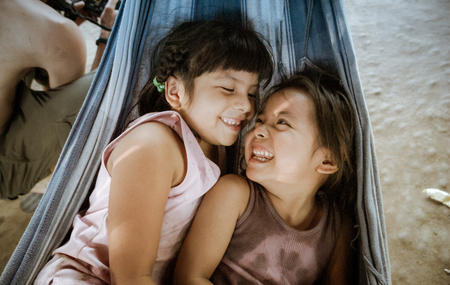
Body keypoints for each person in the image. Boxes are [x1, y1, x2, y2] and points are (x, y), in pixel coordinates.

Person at [33, 19, 273, 285]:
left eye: (252, 93)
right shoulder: (153, 145)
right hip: (86, 277)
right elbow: (131, 277)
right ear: (175, 91)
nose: (245, 106)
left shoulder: (214, 147)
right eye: (228, 88)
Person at [173, 71, 358, 285]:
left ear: (327, 160)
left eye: (282, 122)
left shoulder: (337, 228)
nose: (259, 129)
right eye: (260, 120)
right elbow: (188, 278)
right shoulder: (234, 194)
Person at [0, 0, 118, 199]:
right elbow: (81, 122)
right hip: (2, 174)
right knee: (110, 79)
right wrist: (105, 37)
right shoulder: (55, 28)